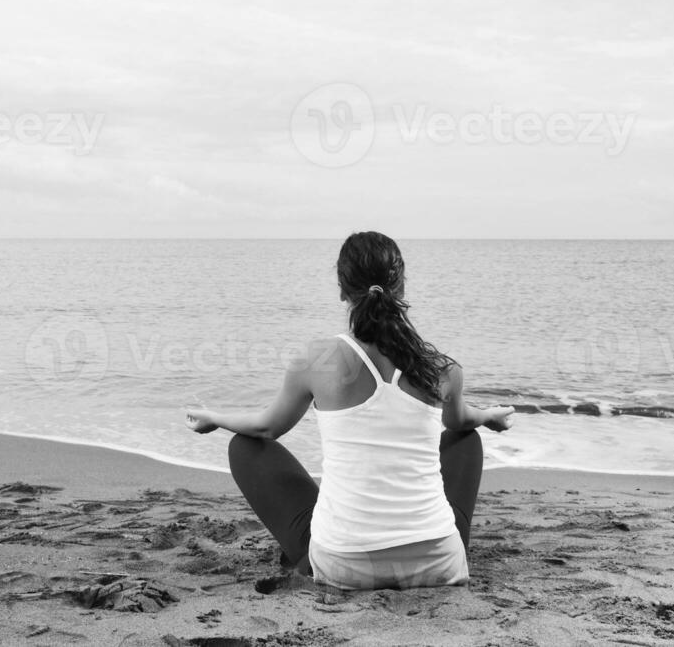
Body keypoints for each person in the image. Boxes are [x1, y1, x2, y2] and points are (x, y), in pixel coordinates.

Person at [183, 231, 514, 590]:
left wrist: (216, 418)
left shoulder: (317, 359)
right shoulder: (440, 368)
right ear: (401, 287)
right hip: (437, 566)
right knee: (465, 439)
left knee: (244, 446)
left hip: (344, 567)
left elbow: (266, 428)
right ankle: (428, 546)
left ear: (342, 290)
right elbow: (461, 421)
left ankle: (315, 559)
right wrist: (490, 415)